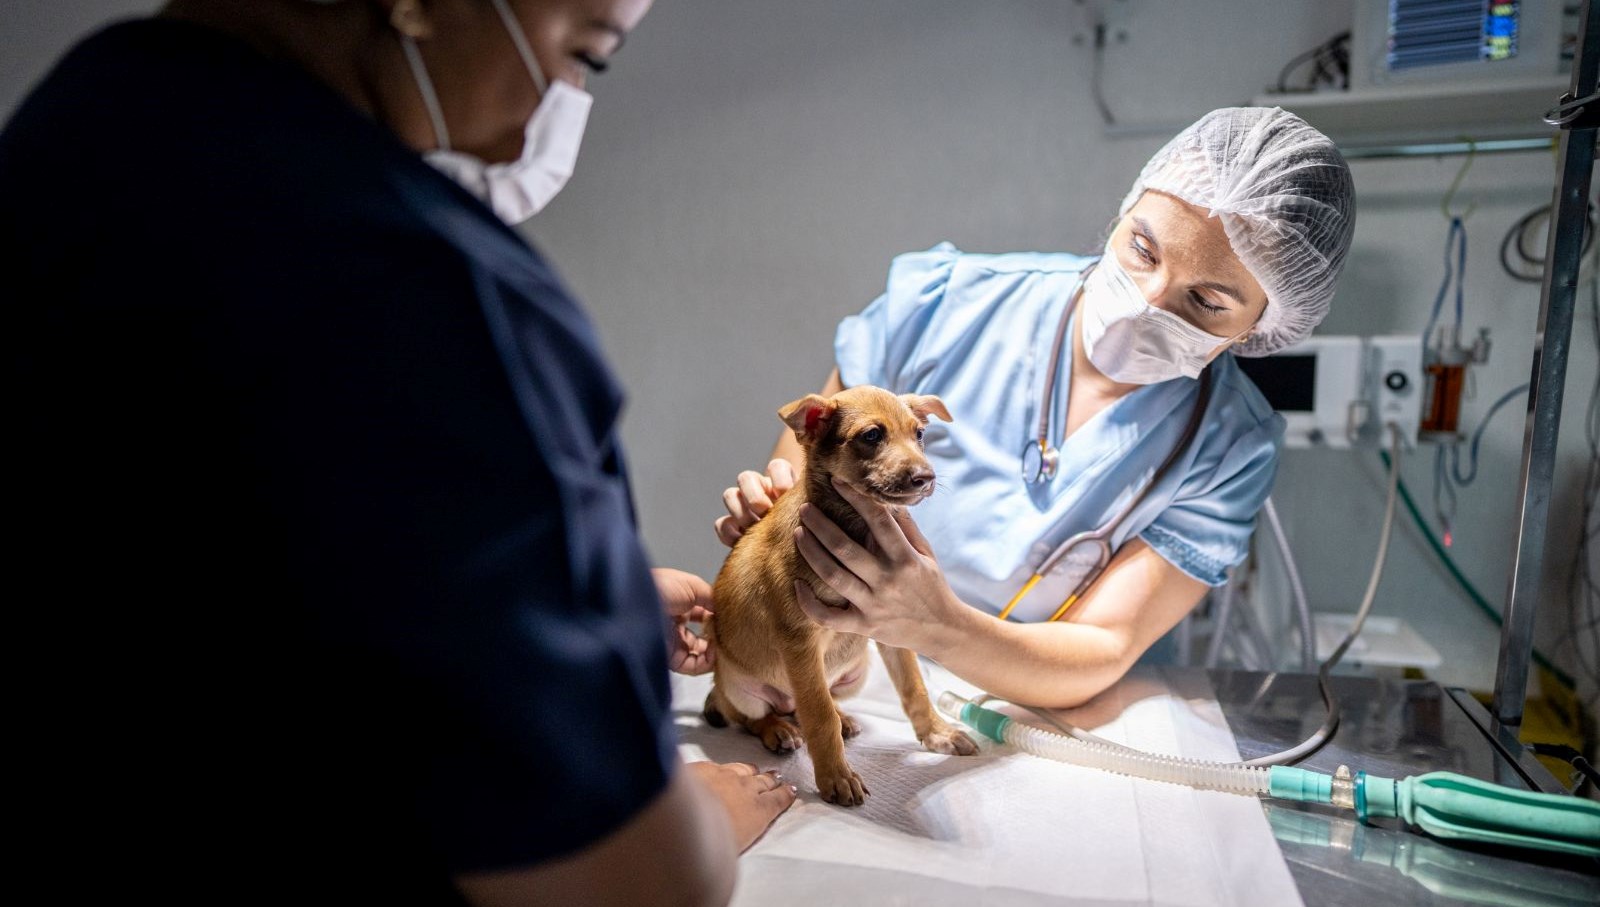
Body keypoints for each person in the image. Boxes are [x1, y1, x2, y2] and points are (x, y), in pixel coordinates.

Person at [3, 1, 791, 903]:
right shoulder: (425, 295)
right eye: (587, 56)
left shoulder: (85, 119)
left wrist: (554, 614)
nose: (555, 110)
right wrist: (700, 820)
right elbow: (629, 884)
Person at [718, 108, 1356, 710]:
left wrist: (937, 628)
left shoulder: (1228, 449)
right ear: (1128, 207)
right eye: (1142, 248)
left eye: (1208, 301)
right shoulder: (944, 305)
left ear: (1261, 327)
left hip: (1035, 714)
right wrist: (772, 516)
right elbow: (804, 479)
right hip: (837, 675)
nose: (1147, 299)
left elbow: (1105, 644)